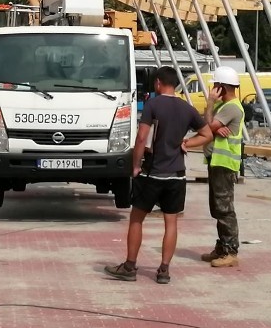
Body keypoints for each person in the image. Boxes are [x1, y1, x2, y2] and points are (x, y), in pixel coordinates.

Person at [104, 66, 212, 284]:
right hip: (177, 175)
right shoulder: (186, 108)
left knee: (137, 219)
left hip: (153, 173)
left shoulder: (153, 104)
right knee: (170, 223)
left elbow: (142, 137)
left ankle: (130, 266)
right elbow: (208, 133)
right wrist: (187, 143)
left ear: (159, 83)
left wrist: (135, 166)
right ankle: (163, 270)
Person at [200, 66, 245, 268]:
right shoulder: (225, 108)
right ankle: (222, 246)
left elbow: (206, 128)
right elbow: (209, 127)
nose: (213, 90)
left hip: (224, 163)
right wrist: (213, 128)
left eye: (215, 86)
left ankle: (230, 251)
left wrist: (209, 103)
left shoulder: (230, 108)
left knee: (224, 209)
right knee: (217, 207)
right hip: (217, 162)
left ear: (221, 87)